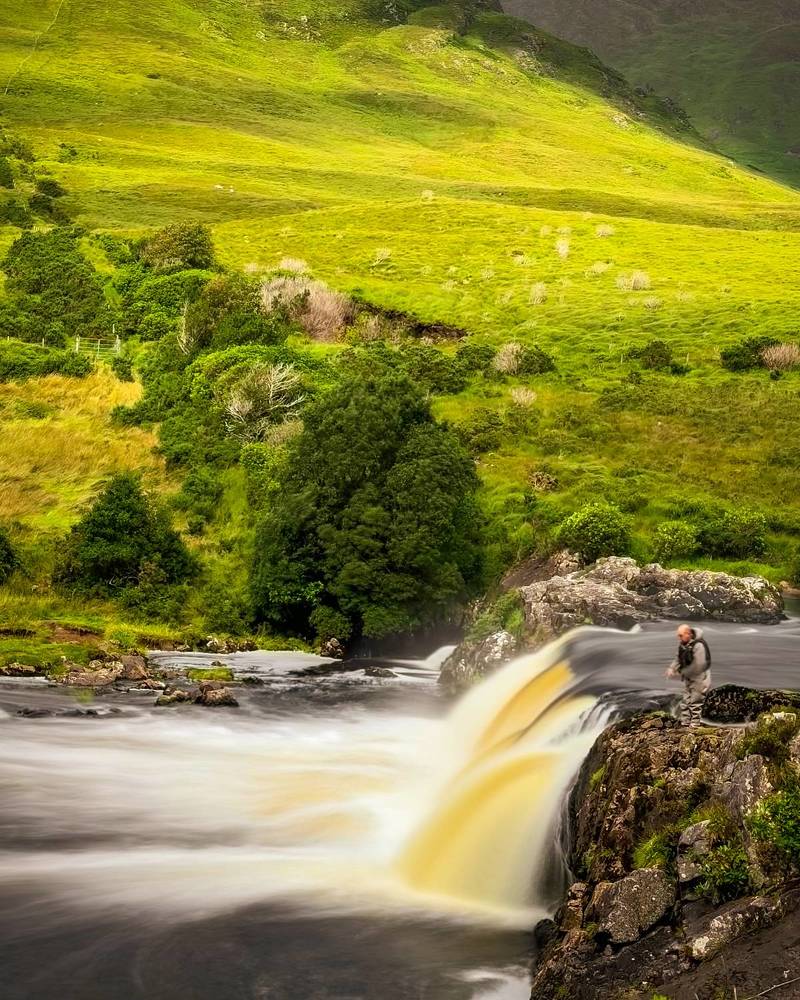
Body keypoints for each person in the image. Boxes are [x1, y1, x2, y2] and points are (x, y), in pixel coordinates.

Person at [665, 624, 711, 727]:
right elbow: (678, 658)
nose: (679, 638)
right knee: (685, 699)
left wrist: (682, 672)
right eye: (678, 635)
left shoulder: (698, 645)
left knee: (696, 700)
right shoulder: (683, 645)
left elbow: (698, 665)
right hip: (688, 677)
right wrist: (672, 668)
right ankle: (685, 722)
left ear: (688, 634)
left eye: (680, 635)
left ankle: (695, 724)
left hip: (699, 676)